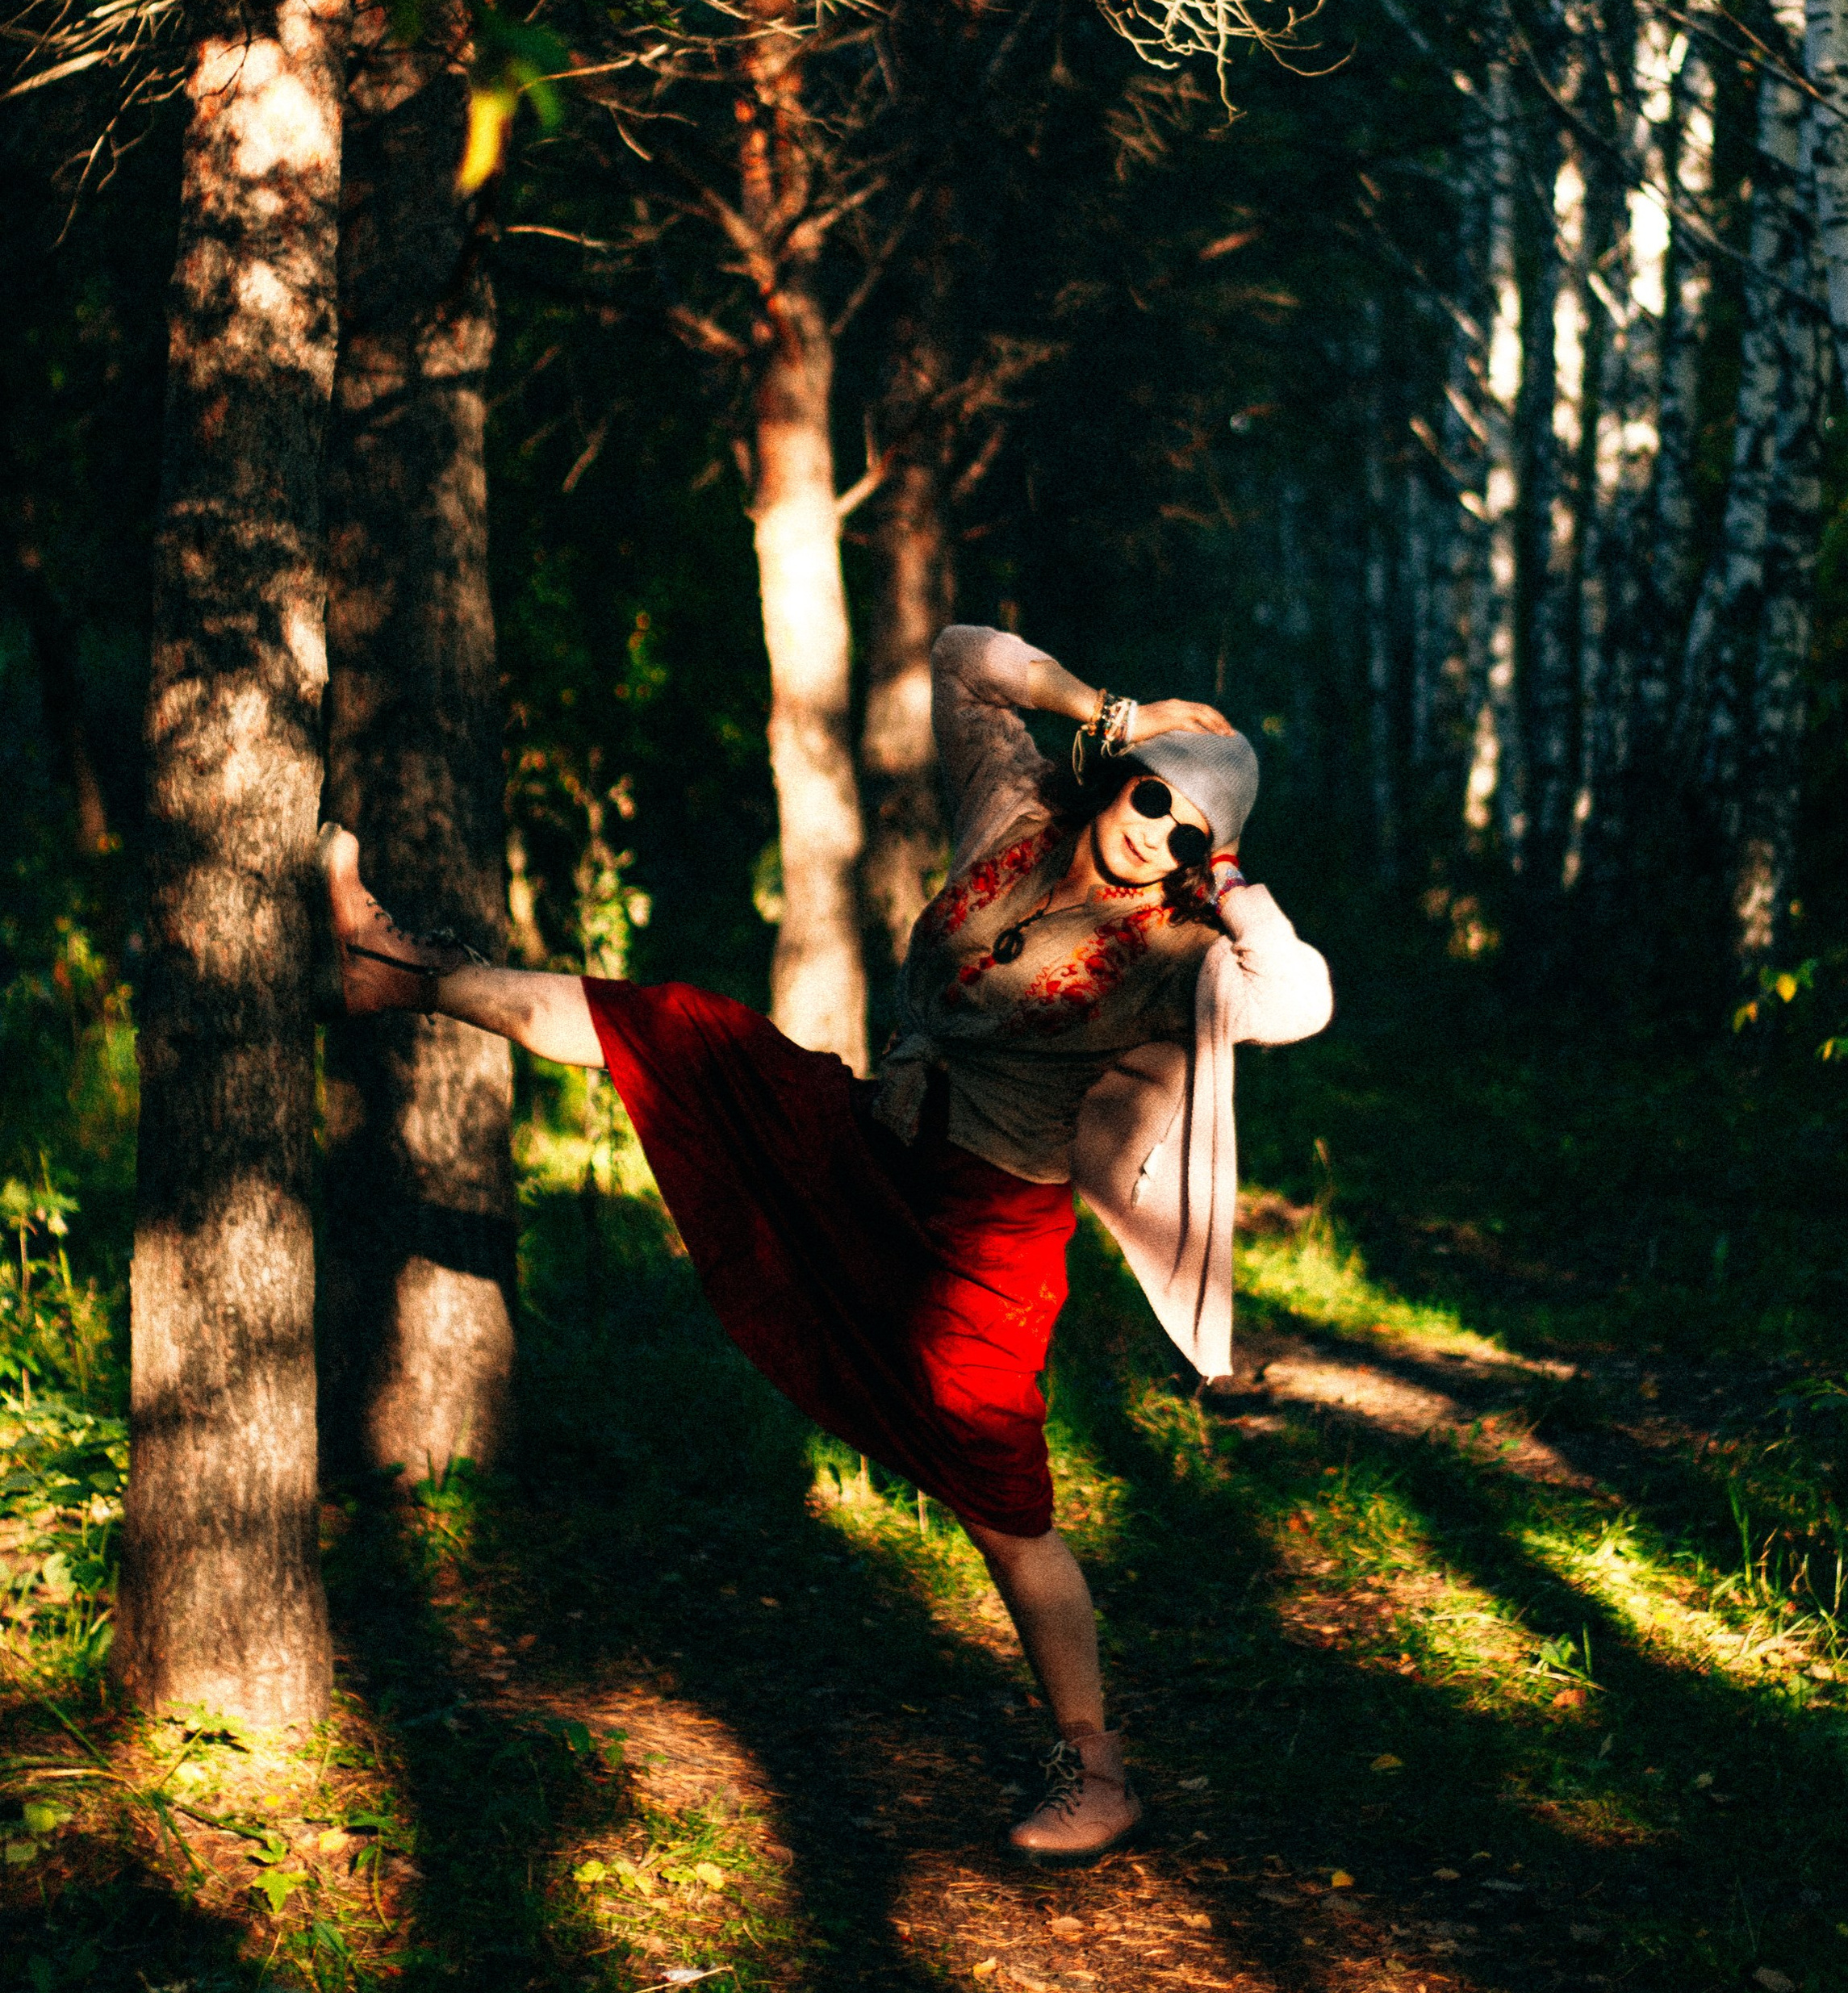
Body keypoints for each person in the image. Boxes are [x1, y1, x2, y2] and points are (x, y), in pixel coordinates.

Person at [320, 625, 1332, 1863]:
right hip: (878, 1137)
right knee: (682, 1033)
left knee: (1004, 1504)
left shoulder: (1180, 952)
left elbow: (1298, 1001)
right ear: (1121, 774)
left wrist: (1225, 881)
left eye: (1190, 834)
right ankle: (397, 965)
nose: (1156, 835)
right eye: (1154, 799)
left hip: (988, 1233)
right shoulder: (1012, 809)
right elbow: (961, 657)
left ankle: (1097, 1766)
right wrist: (1111, 704)